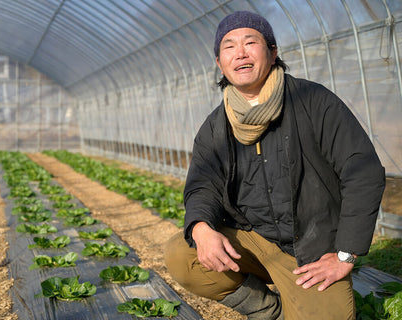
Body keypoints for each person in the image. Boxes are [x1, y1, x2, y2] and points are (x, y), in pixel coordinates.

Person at [164, 10, 385, 320]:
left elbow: (363, 171)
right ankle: (269, 311)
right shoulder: (216, 127)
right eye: (228, 46)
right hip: (249, 240)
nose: (239, 52)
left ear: (272, 52)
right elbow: (203, 186)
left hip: (308, 249)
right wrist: (201, 228)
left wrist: (345, 253)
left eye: (250, 42)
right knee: (181, 255)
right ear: (219, 63)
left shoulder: (312, 101)